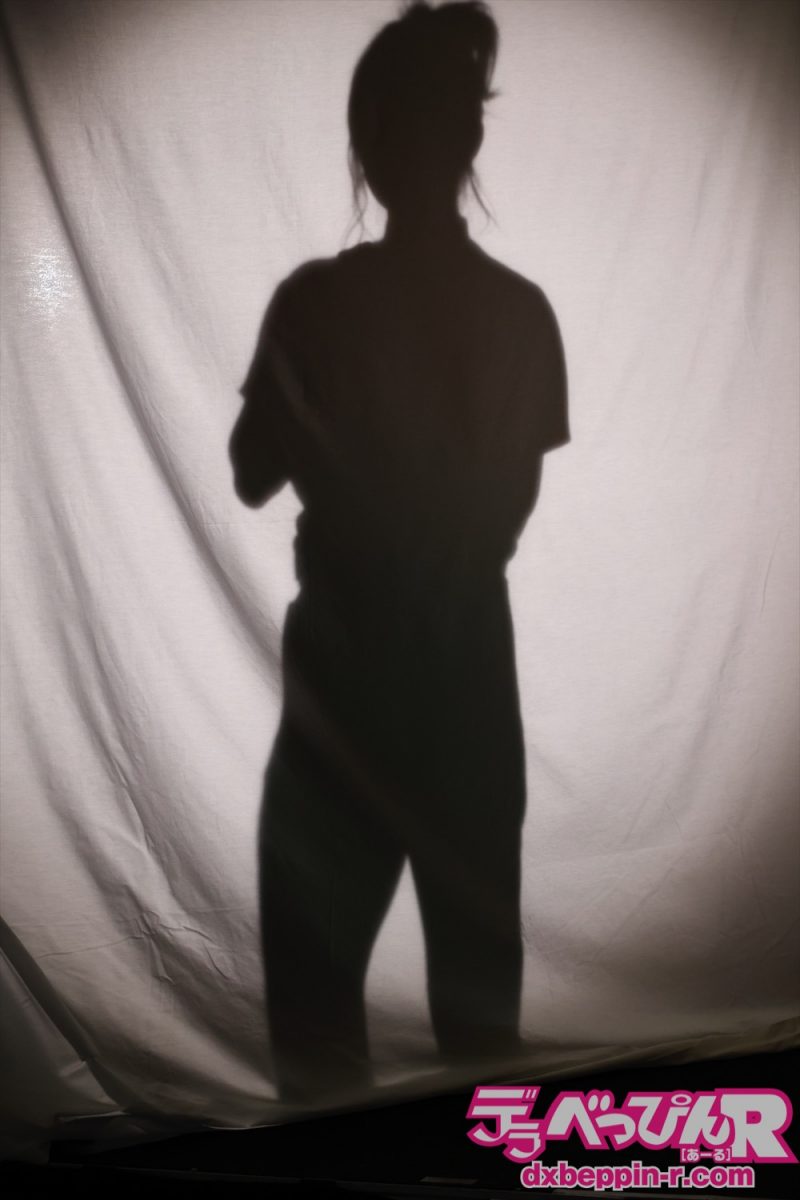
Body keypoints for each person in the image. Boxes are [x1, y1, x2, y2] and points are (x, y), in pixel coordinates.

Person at [230, 0, 568, 1103]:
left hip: (352, 680)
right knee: (474, 1024)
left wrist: (327, 416)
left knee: (319, 1025)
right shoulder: (516, 314)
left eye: (384, 125)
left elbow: (251, 471)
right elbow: (497, 514)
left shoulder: (320, 303)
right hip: (451, 679)